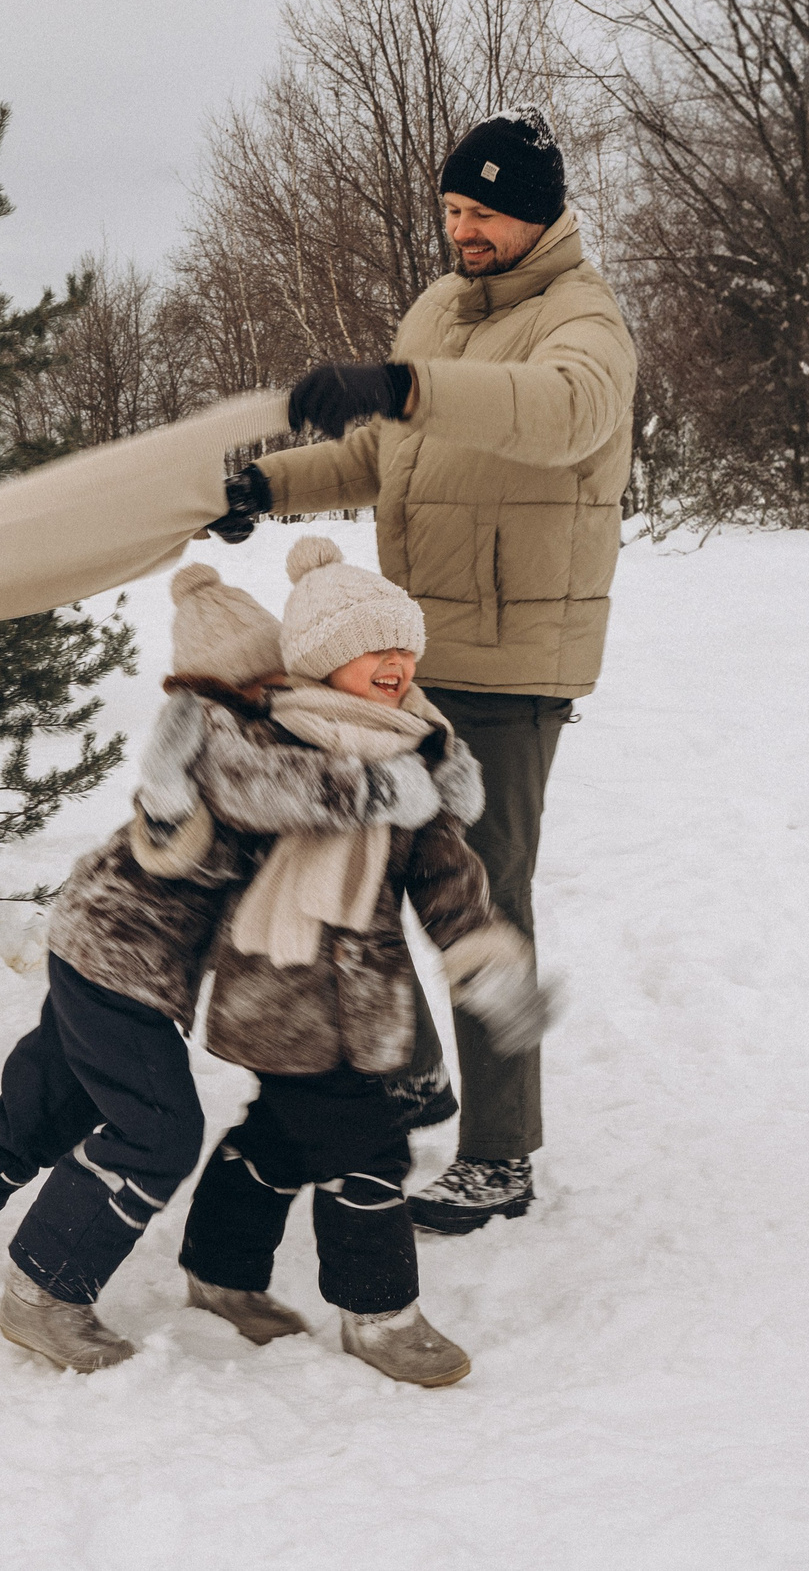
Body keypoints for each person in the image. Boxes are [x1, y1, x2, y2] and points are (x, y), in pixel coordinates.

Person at [0, 563, 456, 1372]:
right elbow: (275, 792)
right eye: (267, 679)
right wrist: (392, 786)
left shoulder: (255, 729)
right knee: (158, 1132)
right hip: (123, 963)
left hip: (97, 945)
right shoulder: (217, 733)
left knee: (40, 1109)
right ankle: (46, 1295)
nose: (279, 693)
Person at [209, 107, 637, 1233]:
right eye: (452, 209)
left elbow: (554, 417)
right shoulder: (439, 309)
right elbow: (377, 447)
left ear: (536, 211)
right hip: (404, 656)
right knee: (377, 871)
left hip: (509, 662)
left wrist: (406, 385)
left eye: (484, 210)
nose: (463, 230)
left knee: (481, 896)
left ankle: (500, 1151)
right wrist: (271, 484)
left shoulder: (582, 321)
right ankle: (417, 1075)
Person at [167, 538, 550, 1387]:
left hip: (360, 997)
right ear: (324, 657)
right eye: (374, 646)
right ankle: (381, 1316)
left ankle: (219, 1270)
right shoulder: (272, 741)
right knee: (369, 1150)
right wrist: (367, 788)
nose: (397, 662)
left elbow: (446, 875)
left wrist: (482, 955)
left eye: (405, 645)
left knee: (279, 1134)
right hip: (281, 987)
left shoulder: (419, 751)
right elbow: (236, 798)